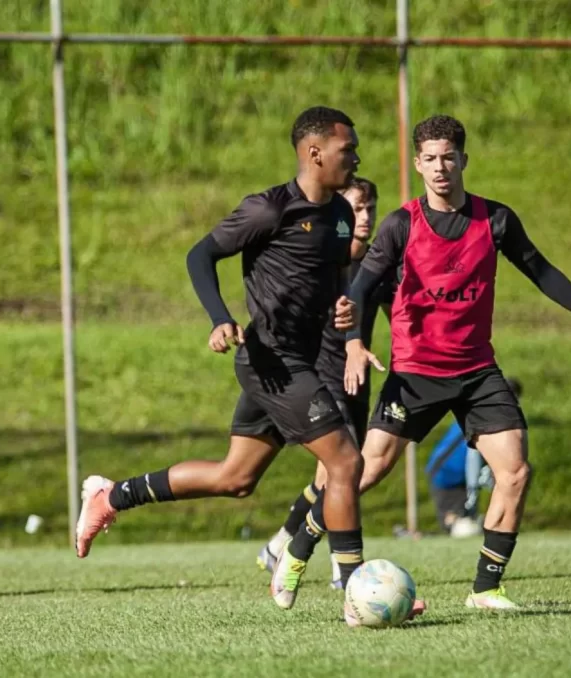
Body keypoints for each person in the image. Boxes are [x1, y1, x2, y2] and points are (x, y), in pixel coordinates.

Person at [279, 114, 571, 611]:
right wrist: (354, 342)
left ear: (463, 159)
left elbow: (539, 269)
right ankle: (299, 545)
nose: (440, 167)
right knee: (363, 473)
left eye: (448, 157)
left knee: (515, 471)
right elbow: (361, 287)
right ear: (418, 164)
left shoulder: (495, 220)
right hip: (415, 373)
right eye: (429, 159)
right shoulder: (401, 224)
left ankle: (486, 589)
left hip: (476, 372)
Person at [73, 107, 370, 620]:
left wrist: (343, 308)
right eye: (348, 149)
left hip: (298, 361)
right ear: (315, 152)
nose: (357, 157)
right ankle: (355, 591)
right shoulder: (268, 209)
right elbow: (200, 255)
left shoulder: (341, 215)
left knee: (235, 478)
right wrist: (219, 318)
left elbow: (336, 276)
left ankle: (112, 496)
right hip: (272, 361)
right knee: (345, 462)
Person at [256, 176, 390, 589]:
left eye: (369, 208)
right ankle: (340, 568)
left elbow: (400, 313)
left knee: (331, 478)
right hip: (321, 375)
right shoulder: (322, 257)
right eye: (356, 208)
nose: (364, 216)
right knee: (343, 470)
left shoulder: (378, 263)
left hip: (356, 379)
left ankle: (279, 544)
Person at [426, 376, 520, 537]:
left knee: (470, 522)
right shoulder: (484, 417)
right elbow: (473, 455)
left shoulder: (489, 414)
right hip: (447, 474)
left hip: (457, 473)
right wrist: (474, 487)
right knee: (461, 528)